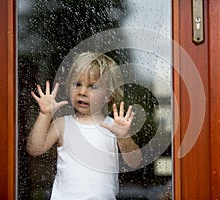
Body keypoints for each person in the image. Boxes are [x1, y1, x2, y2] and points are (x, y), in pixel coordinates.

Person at [27, 52, 142, 199]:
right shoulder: (62, 124)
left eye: (92, 87)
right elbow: (34, 149)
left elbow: (134, 162)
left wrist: (124, 137)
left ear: (109, 95)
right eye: (77, 84)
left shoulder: (114, 127)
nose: (82, 92)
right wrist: (45, 115)